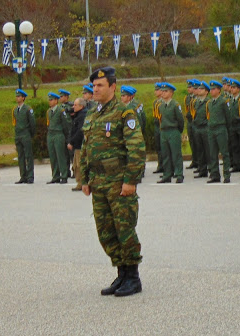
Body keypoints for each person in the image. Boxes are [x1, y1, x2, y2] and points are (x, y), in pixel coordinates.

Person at [81, 66, 145, 297]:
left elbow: (136, 148)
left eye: (99, 85)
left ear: (112, 87)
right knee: (106, 232)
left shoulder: (124, 113)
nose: (95, 89)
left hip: (119, 184)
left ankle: (133, 277)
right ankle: (121, 273)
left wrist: (131, 181)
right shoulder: (92, 114)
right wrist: (84, 179)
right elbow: (86, 148)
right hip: (98, 183)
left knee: (124, 229)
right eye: (94, 86)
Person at [157, 83, 185, 184]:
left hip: (173, 131)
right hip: (164, 131)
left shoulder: (175, 105)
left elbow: (180, 120)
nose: (163, 93)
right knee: (165, 154)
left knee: (176, 154)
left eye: (166, 91)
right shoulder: (161, 106)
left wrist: (178, 131)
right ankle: (167, 174)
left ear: (171, 93)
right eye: (162, 91)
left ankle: (179, 174)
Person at [206, 80, 232, 183]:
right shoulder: (210, 103)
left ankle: (226, 174)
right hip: (211, 129)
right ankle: (215, 174)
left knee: (224, 153)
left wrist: (226, 129)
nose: (211, 91)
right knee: (213, 153)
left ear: (218, 90)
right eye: (211, 89)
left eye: (213, 89)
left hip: (221, 128)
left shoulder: (224, 101)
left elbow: (228, 117)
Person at [46, 92, 71, 184]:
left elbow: (65, 124)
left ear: (56, 101)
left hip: (59, 134)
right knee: (53, 156)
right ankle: (55, 176)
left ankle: (64, 175)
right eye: (49, 100)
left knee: (60, 156)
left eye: (51, 100)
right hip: (51, 134)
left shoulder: (61, 111)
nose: (50, 102)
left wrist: (66, 136)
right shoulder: (49, 111)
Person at [13, 89, 36, 184]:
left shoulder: (27, 109)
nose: (17, 98)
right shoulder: (15, 110)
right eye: (16, 96)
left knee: (28, 156)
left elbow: (32, 123)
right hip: (18, 135)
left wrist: (30, 134)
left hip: (26, 134)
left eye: (19, 96)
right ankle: (23, 176)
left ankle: (30, 176)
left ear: (23, 98)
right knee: (20, 156)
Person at [67, 98, 87, 191]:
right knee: (75, 165)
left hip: (80, 145)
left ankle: (82, 183)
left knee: (79, 165)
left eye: (75, 105)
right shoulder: (78, 115)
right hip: (77, 145)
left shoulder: (82, 116)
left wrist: (72, 142)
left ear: (81, 106)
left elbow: (80, 131)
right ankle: (80, 182)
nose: (73, 107)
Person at [193, 81, 211, 178]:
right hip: (198, 127)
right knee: (200, 150)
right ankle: (202, 169)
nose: (198, 90)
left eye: (201, 89)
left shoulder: (208, 102)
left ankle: (212, 169)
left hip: (205, 127)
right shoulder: (197, 102)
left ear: (206, 91)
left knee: (208, 150)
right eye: (198, 88)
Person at [228, 79, 240, 173]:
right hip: (232, 125)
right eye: (231, 87)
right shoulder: (230, 100)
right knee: (234, 145)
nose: (232, 89)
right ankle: (236, 164)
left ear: (238, 89)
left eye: (234, 88)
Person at [59, 89, 74, 178]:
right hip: (63, 132)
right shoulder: (60, 108)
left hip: (70, 131)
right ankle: (66, 171)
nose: (61, 98)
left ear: (66, 97)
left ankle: (75, 171)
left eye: (62, 96)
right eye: (60, 97)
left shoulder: (71, 106)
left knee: (71, 153)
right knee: (65, 154)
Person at [184, 79, 199, 170]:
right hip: (190, 122)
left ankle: (200, 162)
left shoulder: (196, 99)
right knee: (192, 142)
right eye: (188, 87)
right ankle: (195, 160)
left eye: (191, 87)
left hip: (196, 122)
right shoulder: (187, 98)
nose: (189, 89)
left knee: (198, 143)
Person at [152, 83, 164, 174]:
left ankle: (166, 166)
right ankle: (160, 165)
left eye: (157, 90)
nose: (155, 92)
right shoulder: (155, 102)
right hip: (157, 126)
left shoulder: (163, 102)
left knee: (164, 148)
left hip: (162, 126)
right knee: (158, 147)